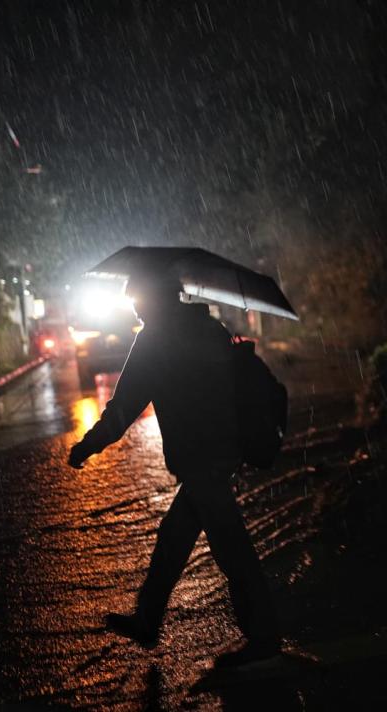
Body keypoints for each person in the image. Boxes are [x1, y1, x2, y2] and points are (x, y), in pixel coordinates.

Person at [67, 272, 281, 668]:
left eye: (136, 297)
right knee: (174, 538)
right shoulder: (209, 326)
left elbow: (124, 408)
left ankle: (264, 638)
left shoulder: (155, 340)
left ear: (155, 298)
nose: (133, 305)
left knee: (232, 550)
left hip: (201, 456)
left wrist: (87, 447)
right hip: (223, 449)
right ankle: (147, 620)